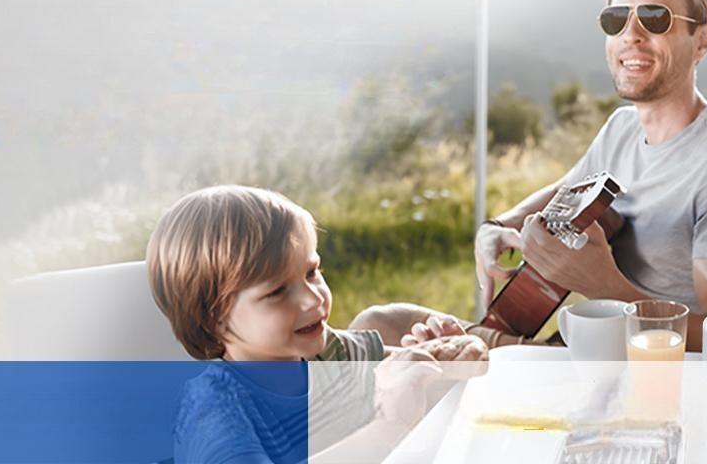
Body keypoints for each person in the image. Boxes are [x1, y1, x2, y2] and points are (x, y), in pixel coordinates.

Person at [353, 0, 707, 352]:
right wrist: (497, 227)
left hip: (634, 379)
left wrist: (604, 285)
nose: (631, 35)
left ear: (702, 40)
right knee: (379, 327)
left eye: (655, 19)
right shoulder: (622, 127)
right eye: (616, 19)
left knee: (392, 355)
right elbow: (567, 189)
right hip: (567, 352)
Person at [146, 185, 486, 463]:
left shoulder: (336, 354)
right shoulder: (214, 411)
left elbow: (420, 378)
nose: (312, 298)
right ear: (212, 318)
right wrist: (388, 428)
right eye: (278, 291)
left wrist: (450, 358)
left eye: (311, 272)